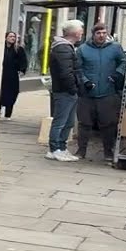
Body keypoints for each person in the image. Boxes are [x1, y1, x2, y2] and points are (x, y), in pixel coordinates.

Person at [75, 22, 126, 162]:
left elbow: (124, 62)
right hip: (87, 94)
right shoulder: (83, 49)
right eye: (98, 33)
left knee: (108, 124)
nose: (101, 36)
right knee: (84, 123)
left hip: (107, 92)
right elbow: (78, 69)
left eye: (104, 33)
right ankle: (81, 150)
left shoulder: (115, 48)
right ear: (93, 34)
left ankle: (108, 152)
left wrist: (117, 74)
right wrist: (85, 81)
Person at [46, 19, 84, 162]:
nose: (82, 33)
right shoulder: (63, 48)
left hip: (67, 91)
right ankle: (55, 148)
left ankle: (61, 147)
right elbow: (66, 72)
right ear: (74, 32)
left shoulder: (66, 47)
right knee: (60, 121)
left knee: (68, 122)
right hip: (64, 91)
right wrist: (73, 88)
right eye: (80, 30)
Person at [0, 31, 27, 120]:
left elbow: (23, 61)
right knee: (0, 93)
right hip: (2, 74)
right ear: (5, 37)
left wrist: (22, 70)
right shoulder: (1, 48)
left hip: (12, 75)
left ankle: (8, 114)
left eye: (14, 37)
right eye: (10, 36)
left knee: (11, 94)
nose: (12, 38)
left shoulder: (18, 49)